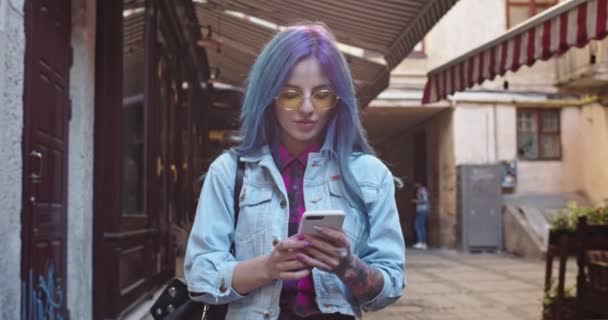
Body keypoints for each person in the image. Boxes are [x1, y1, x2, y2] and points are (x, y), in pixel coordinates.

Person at [184, 23, 406, 320]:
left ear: (338, 101)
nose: (306, 108)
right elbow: (200, 277)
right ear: (269, 97)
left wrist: (348, 266)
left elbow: (390, 286)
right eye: (290, 94)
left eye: (322, 95)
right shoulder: (229, 172)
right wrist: (267, 268)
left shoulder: (370, 175)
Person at [411, 180, 430, 250]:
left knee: (419, 226)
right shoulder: (420, 190)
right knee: (419, 226)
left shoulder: (422, 190)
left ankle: (422, 242)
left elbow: (425, 200)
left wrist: (416, 201)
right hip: (421, 210)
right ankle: (422, 242)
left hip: (422, 210)